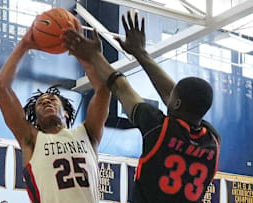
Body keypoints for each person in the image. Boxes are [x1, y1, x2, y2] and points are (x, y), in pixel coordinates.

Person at [62, 11, 220, 203]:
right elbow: (176, 97)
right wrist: (140, 53)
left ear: (177, 103)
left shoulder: (159, 128)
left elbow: (120, 86)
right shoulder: (212, 141)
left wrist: (94, 56)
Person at [0, 24, 110, 203]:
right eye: (41, 103)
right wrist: (24, 45)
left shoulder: (87, 134)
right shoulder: (32, 140)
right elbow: (1, 87)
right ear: (37, 119)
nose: (46, 101)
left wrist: (87, 57)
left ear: (65, 113)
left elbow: (103, 89)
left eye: (52, 100)